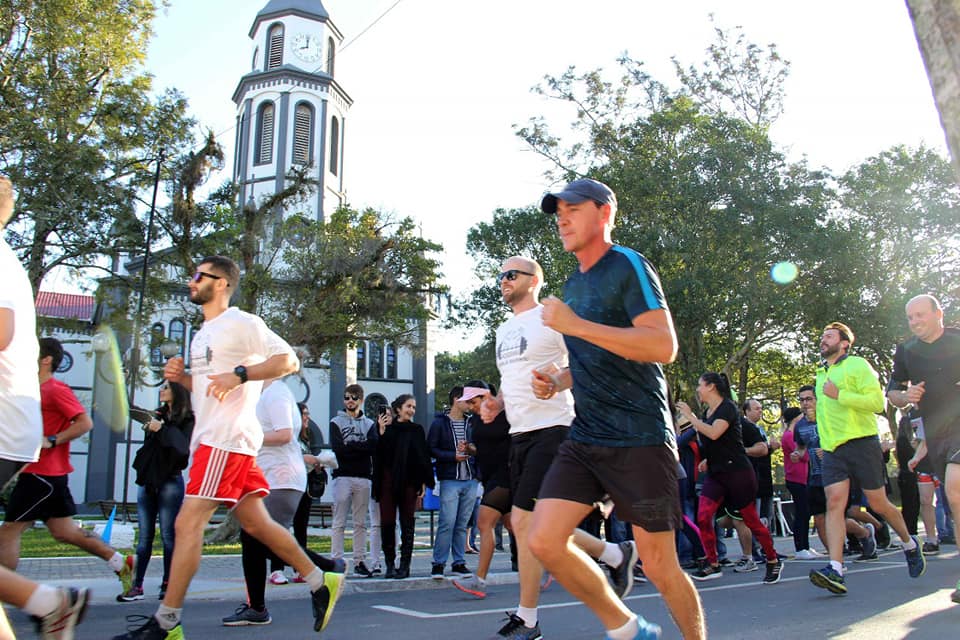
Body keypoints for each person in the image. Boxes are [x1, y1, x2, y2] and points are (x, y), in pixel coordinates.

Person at [112, 256, 342, 639]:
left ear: (220, 283)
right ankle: (322, 580)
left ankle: (166, 623)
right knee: (256, 523)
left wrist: (241, 374)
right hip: (217, 439)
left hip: (226, 440)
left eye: (199, 275)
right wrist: (183, 378)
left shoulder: (241, 323)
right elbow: (210, 390)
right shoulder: (203, 333)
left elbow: (287, 360)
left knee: (187, 524)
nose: (192, 281)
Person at [528, 179, 704, 640]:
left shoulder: (627, 264)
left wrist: (574, 323)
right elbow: (594, 349)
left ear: (604, 213)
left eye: (572, 209)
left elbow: (662, 345)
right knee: (544, 539)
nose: (562, 218)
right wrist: (559, 379)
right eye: (558, 211)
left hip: (639, 438)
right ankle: (628, 629)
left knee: (662, 567)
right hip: (587, 436)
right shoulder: (574, 281)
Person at [0, 175, 89, 637]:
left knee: (22, 533)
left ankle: (48, 602)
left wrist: (54, 437)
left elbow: (3, 331)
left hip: (17, 442)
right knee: (53, 531)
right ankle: (47, 604)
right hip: (24, 448)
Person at [0, 337, 137, 591]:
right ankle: (121, 562)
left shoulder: (55, 389)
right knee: (65, 532)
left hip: (43, 474)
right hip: (41, 473)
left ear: (46, 359)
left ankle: (8, 591)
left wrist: (52, 440)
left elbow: (85, 423)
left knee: (8, 531)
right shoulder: (29, 390)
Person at [808, 321, 924, 596]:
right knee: (834, 504)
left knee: (878, 503)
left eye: (829, 336)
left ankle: (909, 543)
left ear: (844, 343)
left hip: (862, 443)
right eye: (822, 336)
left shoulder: (858, 365)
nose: (823, 340)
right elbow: (825, 414)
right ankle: (835, 569)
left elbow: (876, 403)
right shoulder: (821, 373)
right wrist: (825, 443)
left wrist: (841, 395)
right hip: (834, 450)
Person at [222, 377, 343, 626]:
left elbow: (285, 434)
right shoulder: (264, 393)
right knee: (256, 540)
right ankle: (258, 607)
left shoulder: (275, 392)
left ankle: (329, 568)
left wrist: (245, 435)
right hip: (272, 476)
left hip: (280, 477)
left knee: (262, 539)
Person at [675, 373, 783, 585]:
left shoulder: (728, 408)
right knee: (704, 516)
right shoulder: (708, 411)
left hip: (738, 473)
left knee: (750, 520)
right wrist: (707, 459)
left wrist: (692, 418)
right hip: (717, 473)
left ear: (711, 387)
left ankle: (772, 559)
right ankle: (712, 564)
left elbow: (715, 433)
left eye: (699, 385)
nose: (698, 389)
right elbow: (713, 443)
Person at [887, 294, 960, 603]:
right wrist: (907, 395)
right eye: (910, 317)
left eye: (920, 315)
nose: (915, 322)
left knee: (956, 487)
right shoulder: (906, 351)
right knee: (955, 499)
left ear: (938, 313)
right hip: (936, 432)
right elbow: (892, 393)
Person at [118, 381, 194, 602]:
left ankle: (168, 583)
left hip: (170, 481)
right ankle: (137, 585)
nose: (161, 390)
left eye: (167, 387)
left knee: (169, 536)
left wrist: (161, 429)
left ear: (177, 393)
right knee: (144, 538)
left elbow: (182, 448)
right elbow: (133, 411)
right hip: (148, 480)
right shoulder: (157, 414)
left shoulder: (188, 419)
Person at [453, 383, 513, 599]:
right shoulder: (477, 420)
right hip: (488, 476)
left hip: (506, 474)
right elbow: (484, 448)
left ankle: (479, 580)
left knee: (484, 522)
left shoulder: (505, 413)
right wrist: (470, 449)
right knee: (518, 527)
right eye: (468, 402)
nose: (471, 406)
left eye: (473, 401)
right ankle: (551, 558)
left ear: (485, 396)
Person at [373, 394, 434, 579]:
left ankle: (405, 565)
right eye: (408, 406)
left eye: (414, 407)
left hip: (409, 482)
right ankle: (390, 564)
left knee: (408, 523)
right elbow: (380, 457)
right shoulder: (388, 429)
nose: (412, 410)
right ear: (398, 408)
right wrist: (382, 432)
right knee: (387, 523)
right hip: (387, 482)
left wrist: (424, 482)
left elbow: (422, 457)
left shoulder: (417, 430)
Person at [428, 386, 479, 579]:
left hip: (470, 479)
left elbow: (478, 448)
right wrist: (452, 456)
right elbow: (431, 448)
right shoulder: (439, 423)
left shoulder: (471, 423)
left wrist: (471, 448)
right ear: (457, 399)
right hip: (450, 478)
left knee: (462, 523)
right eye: (468, 400)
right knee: (447, 522)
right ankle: (438, 564)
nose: (470, 404)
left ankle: (459, 562)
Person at [329, 383, 377, 577]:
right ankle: (336, 560)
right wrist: (360, 446)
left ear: (361, 400)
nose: (350, 401)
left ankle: (359, 561)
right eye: (347, 397)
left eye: (354, 398)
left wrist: (351, 445)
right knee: (339, 521)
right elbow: (338, 448)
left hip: (363, 477)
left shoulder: (370, 424)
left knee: (360, 523)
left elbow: (373, 446)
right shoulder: (335, 422)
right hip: (342, 476)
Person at [781, 406, 816, 558]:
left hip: (804, 477)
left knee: (806, 512)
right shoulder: (789, 436)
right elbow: (806, 456)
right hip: (795, 478)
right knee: (801, 512)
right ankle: (800, 547)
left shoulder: (795, 434)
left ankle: (806, 546)